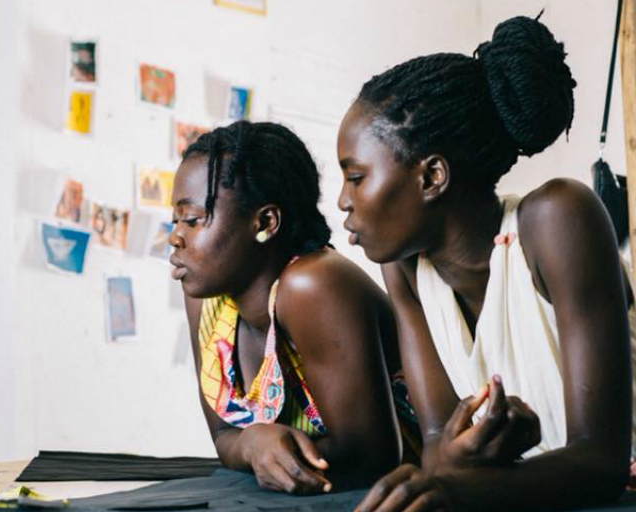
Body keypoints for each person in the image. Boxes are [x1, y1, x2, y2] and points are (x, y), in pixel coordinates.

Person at [336, 16, 636, 512]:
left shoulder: (558, 220)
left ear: (431, 177)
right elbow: (437, 444)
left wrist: (457, 486)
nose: (344, 201)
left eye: (356, 177)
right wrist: (462, 458)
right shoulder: (406, 270)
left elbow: (601, 462)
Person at [169, 120, 419, 494]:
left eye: (192, 219)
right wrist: (253, 444)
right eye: (175, 220)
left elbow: (374, 458)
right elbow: (224, 437)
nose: (175, 236)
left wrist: (260, 451)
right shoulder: (205, 301)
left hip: (410, 490)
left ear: (265, 222)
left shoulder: (314, 284)